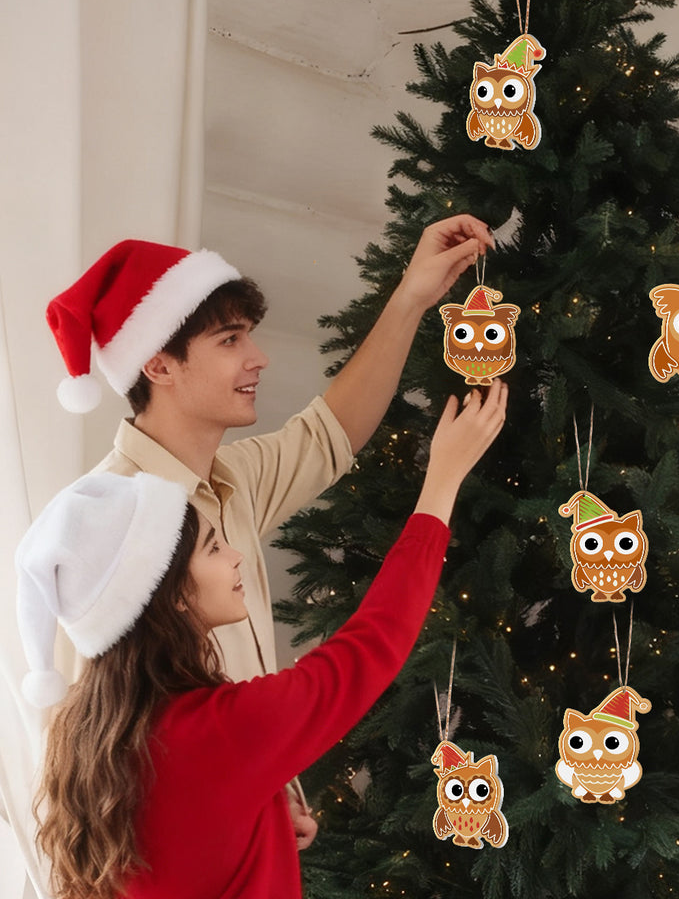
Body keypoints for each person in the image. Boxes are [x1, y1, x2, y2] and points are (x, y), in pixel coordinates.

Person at [43, 215, 493, 846]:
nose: (258, 358)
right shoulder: (106, 525)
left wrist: (413, 296)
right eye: (230, 340)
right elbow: (92, 751)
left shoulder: (233, 479)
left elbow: (331, 433)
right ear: (159, 364)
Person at [17, 380, 508, 899]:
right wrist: (443, 479)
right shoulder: (217, 732)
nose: (235, 556)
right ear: (172, 595)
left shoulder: (91, 732)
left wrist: (263, 817)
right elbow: (372, 642)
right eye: (212, 547)